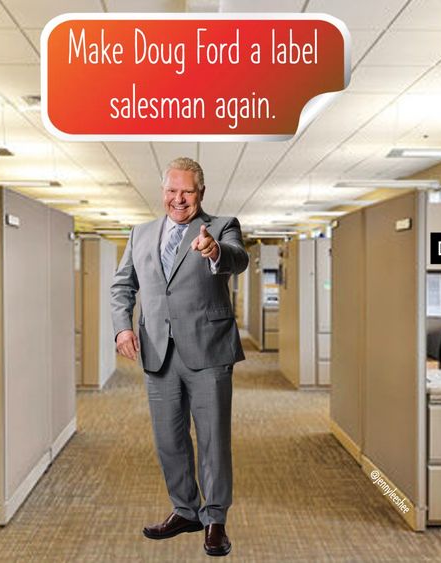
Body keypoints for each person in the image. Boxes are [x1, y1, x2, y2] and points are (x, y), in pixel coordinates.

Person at [110, 156, 248, 557]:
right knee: (168, 440)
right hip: (158, 352)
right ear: (163, 192)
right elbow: (123, 287)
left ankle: (215, 519)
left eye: (187, 191)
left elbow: (238, 259)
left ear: (200, 192)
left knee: (212, 440)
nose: (178, 198)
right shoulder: (140, 233)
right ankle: (185, 509)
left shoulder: (222, 227)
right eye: (172, 190)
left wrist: (214, 250)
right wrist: (122, 326)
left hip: (208, 351)